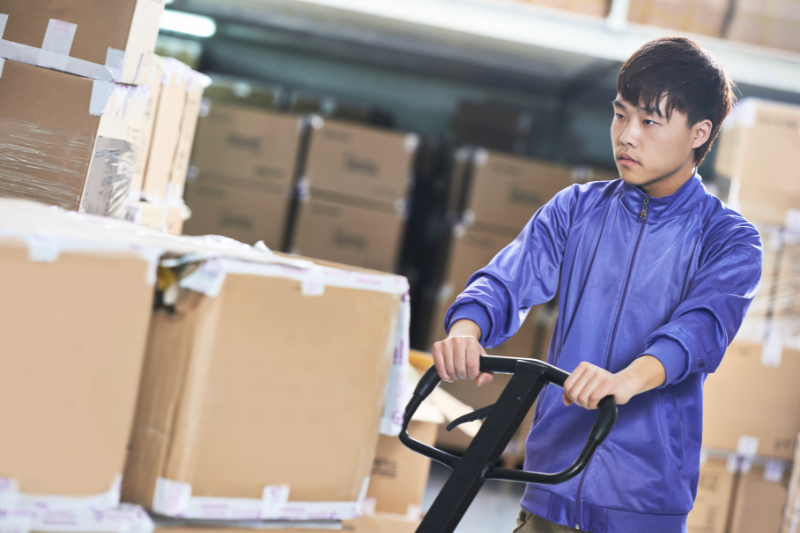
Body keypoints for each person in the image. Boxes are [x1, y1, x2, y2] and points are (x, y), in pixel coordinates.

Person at [432, 37, 763, 533]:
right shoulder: (576, 209)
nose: (627, 136)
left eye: (650, 121)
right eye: (620, 114)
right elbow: (506, 279)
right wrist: (467, 328)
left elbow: (699, 330)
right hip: (550, 484)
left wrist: (625, 380)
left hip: (644, 500)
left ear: (699, 132)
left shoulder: (730, 240)